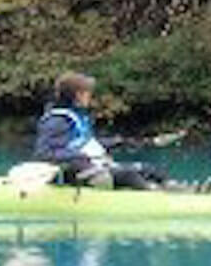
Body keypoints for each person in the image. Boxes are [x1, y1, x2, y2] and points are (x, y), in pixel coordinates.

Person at [33, 71, 169, 190]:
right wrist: (79, 156)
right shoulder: (56, 120)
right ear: (77, 96)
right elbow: (44, 153)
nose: (89, 96)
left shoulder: (78, 117)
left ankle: (174, 189)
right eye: (86, 93)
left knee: (151, 170)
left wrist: (120, 142)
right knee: (128, 175)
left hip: (92, 167)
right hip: (74, 172)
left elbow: (87, 143)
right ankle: (156, 194)